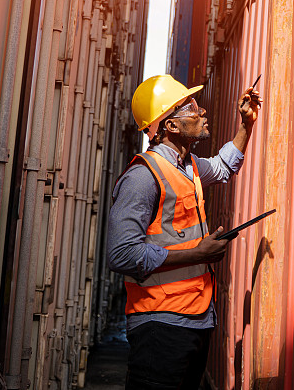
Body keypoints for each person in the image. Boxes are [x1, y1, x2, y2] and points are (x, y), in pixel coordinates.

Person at [106, 74, 261, 389]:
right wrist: (197, 253)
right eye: (190, 107)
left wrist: (246, 125)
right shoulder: (142, 177)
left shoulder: (187, 167)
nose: (201, 111)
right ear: (170, 126)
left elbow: (222, 167)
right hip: (159, 325)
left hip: (195, 319)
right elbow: (121, 253)